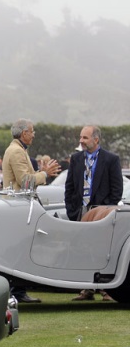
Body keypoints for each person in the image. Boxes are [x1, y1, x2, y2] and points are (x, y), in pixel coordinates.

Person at [2, 118, 60, 303]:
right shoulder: (17, 151)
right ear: (23, 133)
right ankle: (17, 291)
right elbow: (25, 181)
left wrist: (39, 173)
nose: (34, 134)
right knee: (21, 249)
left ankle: (18, 290)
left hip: (19, 206)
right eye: (32, 131)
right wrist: (45, 174)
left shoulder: (17, 149)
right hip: (20, 207)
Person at [64, 126, 122, 302]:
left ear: (96, 140)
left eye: (85, 137)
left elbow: (116, 190)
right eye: (80, 137)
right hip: (80, 212)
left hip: (102, 215)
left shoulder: (111, 159)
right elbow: (69, 187)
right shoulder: (75, 159)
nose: (81, 140)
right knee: (83, 250)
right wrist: (72, 210)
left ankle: (105, 290)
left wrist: (105, 211)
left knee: (102, 251)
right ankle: (87, 289)